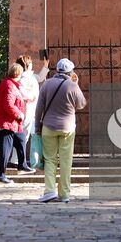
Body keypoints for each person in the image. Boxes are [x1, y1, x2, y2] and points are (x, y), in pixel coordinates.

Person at [35, 58, 86, 204]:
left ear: (56, 70)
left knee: (50, 159)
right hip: (68, 128)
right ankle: (64, 194)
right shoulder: (72, 85)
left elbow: (40, 107)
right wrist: (76, 84)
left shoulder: (47, 84)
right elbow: (81, 104)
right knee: (65, 161)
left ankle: (50, 191)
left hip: (48, 127)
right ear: (70, 72)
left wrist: (37, 127)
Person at [0, 63, 27, 185]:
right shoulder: (10, 85)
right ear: (18, 74)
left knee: (21, 139)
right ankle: (0, 176)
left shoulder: (11, 84)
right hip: (6, 122)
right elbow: (8, 105)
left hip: (11, 123)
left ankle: (22, 165)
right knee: (5, 150)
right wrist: (19, 114)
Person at [15, 53, 40, 172]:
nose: (32, 64)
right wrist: (32, 97)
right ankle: (20, 163)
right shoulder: (25, 77)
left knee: (23, 136)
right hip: (26, 110)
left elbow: (39, 78)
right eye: (30, 62)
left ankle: (19, 161)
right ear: (27, 64)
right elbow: (21, 93)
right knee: (23, 136)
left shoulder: (28, 76)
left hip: (29, 109)